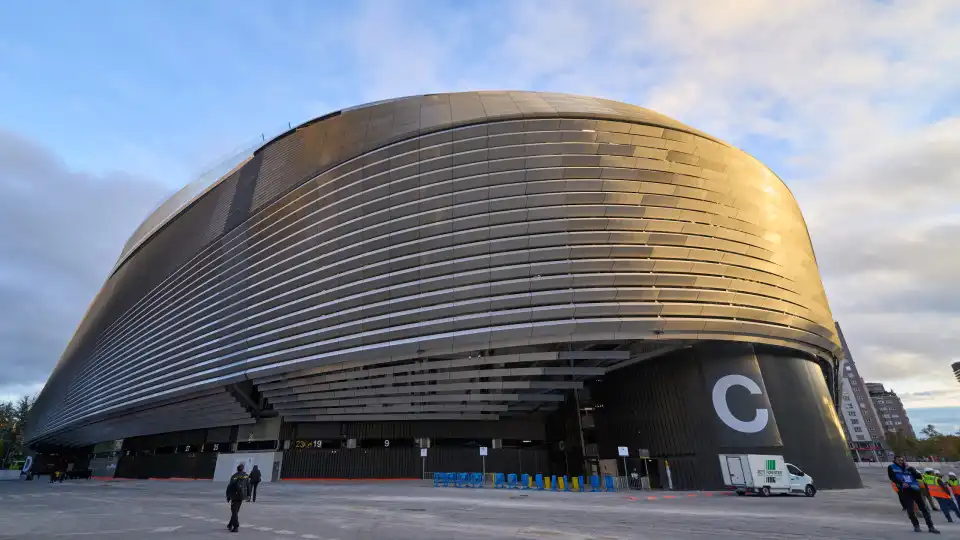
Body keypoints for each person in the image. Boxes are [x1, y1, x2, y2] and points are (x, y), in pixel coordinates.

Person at [889, 455, 939, 534]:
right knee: (911, 510)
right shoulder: (891, 467)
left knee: (924, 509)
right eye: (898, 460)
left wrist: (913, 471)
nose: (900, 461)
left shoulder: (909, 467)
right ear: (895, 460)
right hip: (905, 491)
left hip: (915, 489)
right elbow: (892, 478)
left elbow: (918, 476)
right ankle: (916, 526)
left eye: (902, 460)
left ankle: (931, 527)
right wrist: (901, 483)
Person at [225, 463, 250, 533]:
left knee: (234, 511)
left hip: (234, 496)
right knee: (235, 511)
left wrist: (228, 496)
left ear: (237, 469)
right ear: (243, 469)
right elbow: (248, 486)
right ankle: (230, 524)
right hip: (242, 496)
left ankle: (235, 526)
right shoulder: (245, 476)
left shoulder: (234, 476)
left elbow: (230, 486)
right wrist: (248, 495)